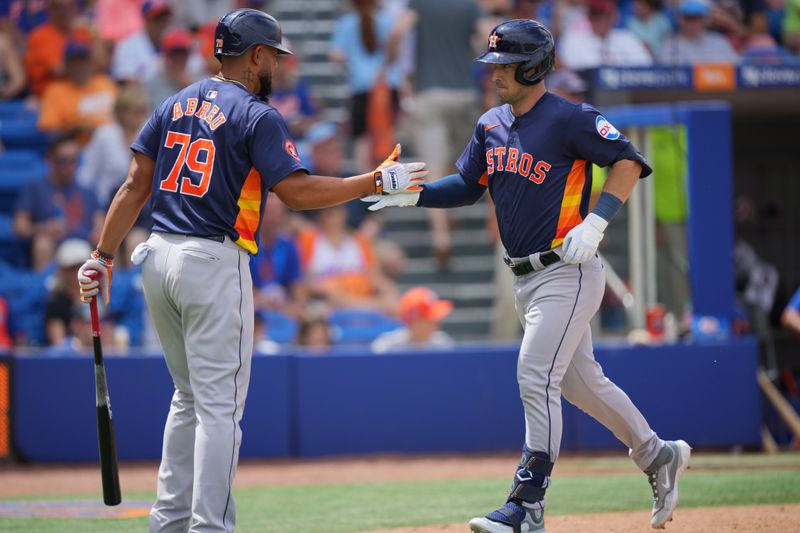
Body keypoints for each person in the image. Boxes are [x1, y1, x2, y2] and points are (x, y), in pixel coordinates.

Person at [74, 9, 426, 532]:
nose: (277, 68)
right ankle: (210, 527)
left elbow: (133, 185)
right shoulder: (257, 114)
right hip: (212, 259)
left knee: (188, 399)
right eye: (274, 57)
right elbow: (297, 190)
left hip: (157, 254)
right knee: (218, 408)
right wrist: (371, 182)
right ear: (256, 54)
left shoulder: (174, 101)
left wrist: (101, 255)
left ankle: (167, 522)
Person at [365, 19, 691, 533]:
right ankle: (657, 456)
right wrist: (414, 193)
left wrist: (598, 220)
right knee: (584, 386)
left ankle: (527, 505)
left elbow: (628, 163)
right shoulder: (491, 122)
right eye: (493, 64)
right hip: (525, 278)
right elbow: (470, 185)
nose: (495, 74)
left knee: (534, 375)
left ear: (534, 65)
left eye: (505, 64)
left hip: (569, 269)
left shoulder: (570, 118)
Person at [13, 132, 103, 271]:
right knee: (42, 243)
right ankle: (44, 289)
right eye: (64, 160)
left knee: (105, 245)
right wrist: (43, 228)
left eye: (75, 160)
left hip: (84, 247)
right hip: (53, 248)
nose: (70, 166)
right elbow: (20, 226)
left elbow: (100, 222)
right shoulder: (35, 188)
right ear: (50, 159)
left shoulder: (87, 191)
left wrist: (98, 232)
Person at [38, 40, 118, 140]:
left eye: (84, 60)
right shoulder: (55, 91)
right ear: (67, 64)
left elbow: (123, 115)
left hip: (113, 139)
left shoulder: (105, 83)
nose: (80, 66)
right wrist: (75, 129)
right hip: (79, 143)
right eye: (75, 61)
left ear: (90, 62)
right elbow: (48, 131)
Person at [558, 0, 653, 70]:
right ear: (588, 15)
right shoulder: (573, 39)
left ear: (615, 15)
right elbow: (581, 72)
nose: (601, 19)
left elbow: (646, 68)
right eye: (595, 13)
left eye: (606, 14)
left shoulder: (627, 38)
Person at [371, 286, 455, 353]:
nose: (437, 322)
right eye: (430, 318)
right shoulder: (387, 347)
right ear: (413, 321)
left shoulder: (443, 344)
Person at [659, 0, 740, 64]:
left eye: (698, 17)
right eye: (688, 17)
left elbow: (737, 71)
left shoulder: (720, 42)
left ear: (707, 18)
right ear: (679, 18)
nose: (694, 22)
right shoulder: (671, 45)